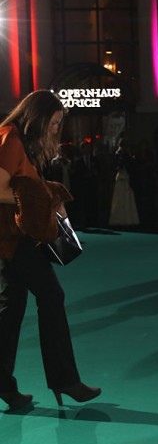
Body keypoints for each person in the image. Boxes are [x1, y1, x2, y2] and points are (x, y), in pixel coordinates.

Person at [0, 90, 101, 409]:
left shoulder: (19, 141)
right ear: (39, 118)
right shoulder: (10, 138)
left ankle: (4, 384)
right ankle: (65, 379)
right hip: (14, 239)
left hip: (15, 237)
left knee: (12, 308)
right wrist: (40, 198)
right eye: (55, 123)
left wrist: (44, 194)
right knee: (51, 296)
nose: (57, 129)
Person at [108, 138, 140, 227]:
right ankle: (119, 219)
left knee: (126, 199)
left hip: (126, 177)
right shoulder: (117, 155)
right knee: (119, 199)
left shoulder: (126, 155)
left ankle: (128, 219)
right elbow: (116, 166)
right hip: (121, 177)